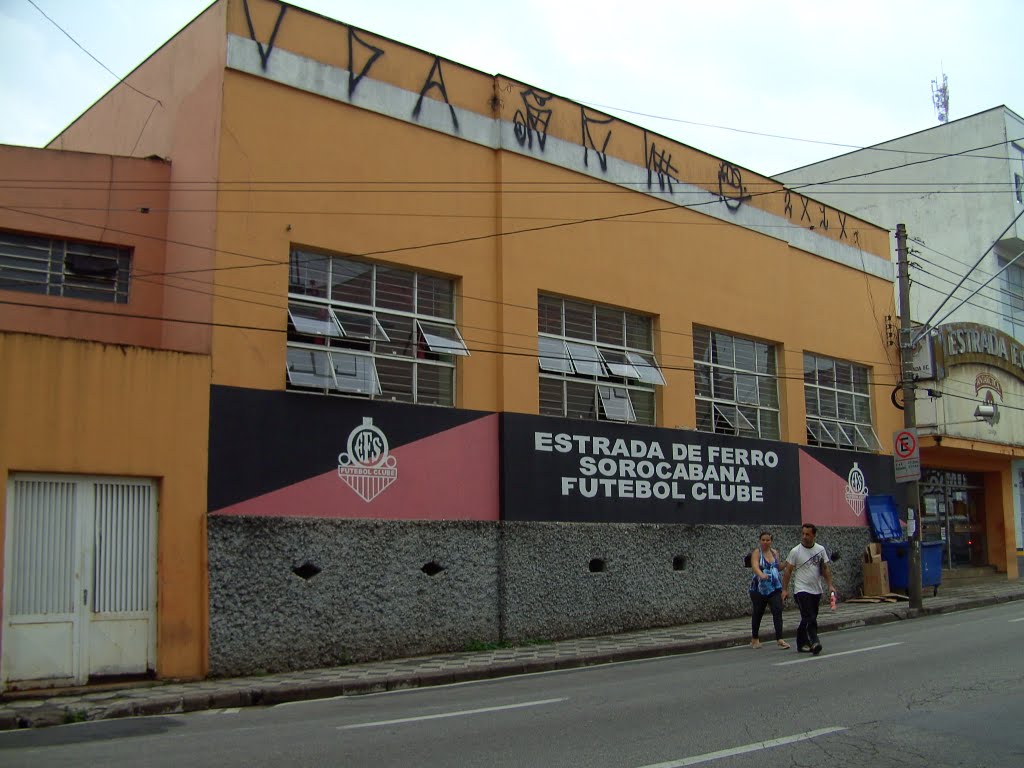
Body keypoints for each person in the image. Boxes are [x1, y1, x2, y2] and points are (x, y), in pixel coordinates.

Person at [782, 523, 836, 655]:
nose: (805, 537)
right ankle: (815, 641)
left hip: (816, 590)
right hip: (801, 589)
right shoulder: (795, 551)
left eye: (808, 534)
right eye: (803, 534)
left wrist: (830, 585)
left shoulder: (820, 549)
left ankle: (801, 643)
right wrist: (785, 589)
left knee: (810, 617)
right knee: (809, 616)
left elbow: (825, 568)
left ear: (814, 535)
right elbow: (788, 571)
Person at [748, 531, 790, 649]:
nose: (765, 542)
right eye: (763, 540)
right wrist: (761, 575)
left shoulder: (775, 552)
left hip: (774, 587)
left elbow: (777, 567)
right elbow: (755, 566)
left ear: (771, 541)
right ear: (760, 541)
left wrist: (786, 563)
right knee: (758, 612)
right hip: (759, 588)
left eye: (768, 540)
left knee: (777, 610)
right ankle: (755, 638)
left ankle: (780, 638)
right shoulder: (757, 553)